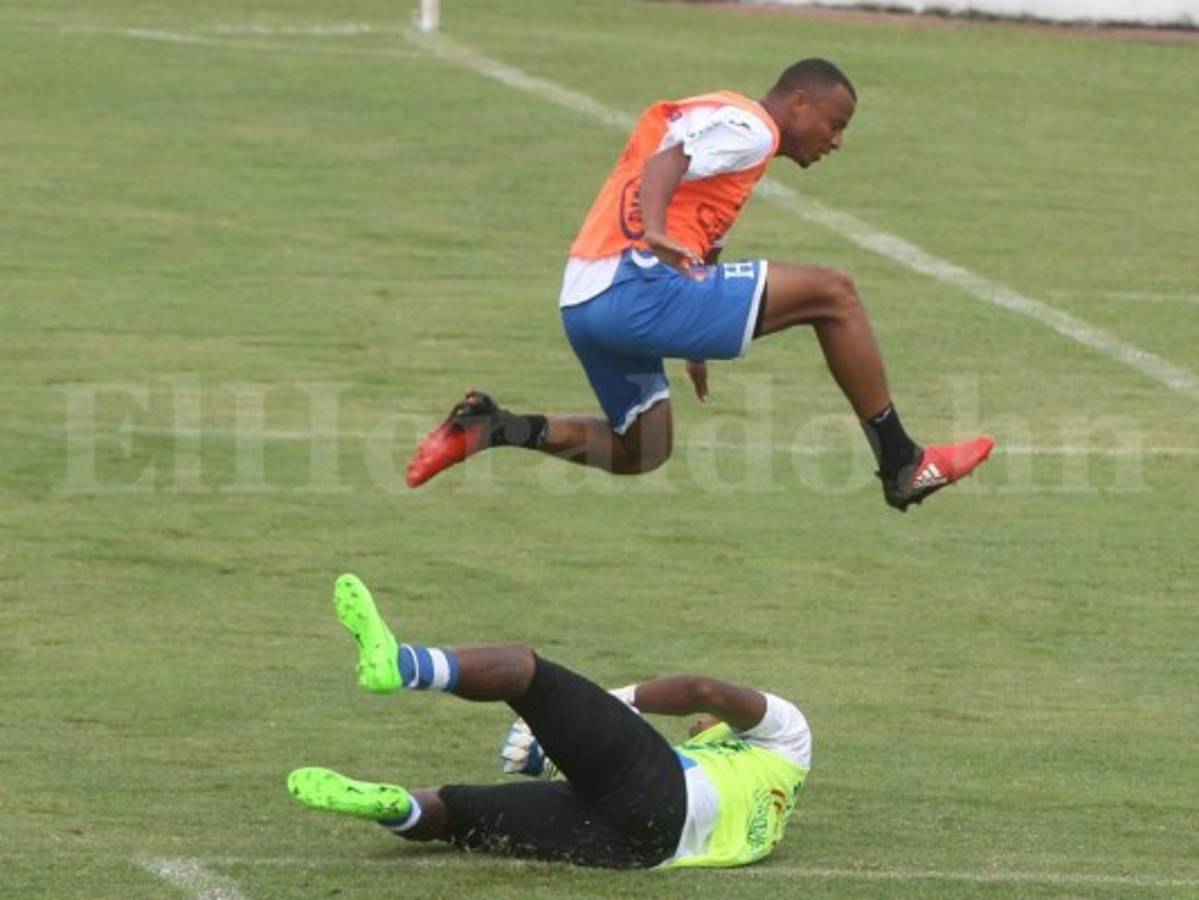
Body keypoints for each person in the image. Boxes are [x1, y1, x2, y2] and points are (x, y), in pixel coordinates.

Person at [404, 58, 992, 511]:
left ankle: (492, 427)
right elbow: (667, 164)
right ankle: (902, 461)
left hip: (583, 302)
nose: (836, 141)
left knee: (643, 448)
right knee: (834, 294)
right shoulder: (753, 129)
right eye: (835, 125)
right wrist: (656, 232)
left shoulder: (721, 112)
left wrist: (693, 341)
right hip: (633, 289)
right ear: (799, 102)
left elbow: (698, 216)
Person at [288, 574, 813, 869]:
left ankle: (400, 665)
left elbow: (705, 692)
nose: (701, 722)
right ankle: (397, 807)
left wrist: (616, 701)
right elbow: (620, 792)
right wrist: (553, 757)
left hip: (663, 798)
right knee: (454, 813)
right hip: (637, 850)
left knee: (526, 673)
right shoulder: (765, 807)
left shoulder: (789, 735)